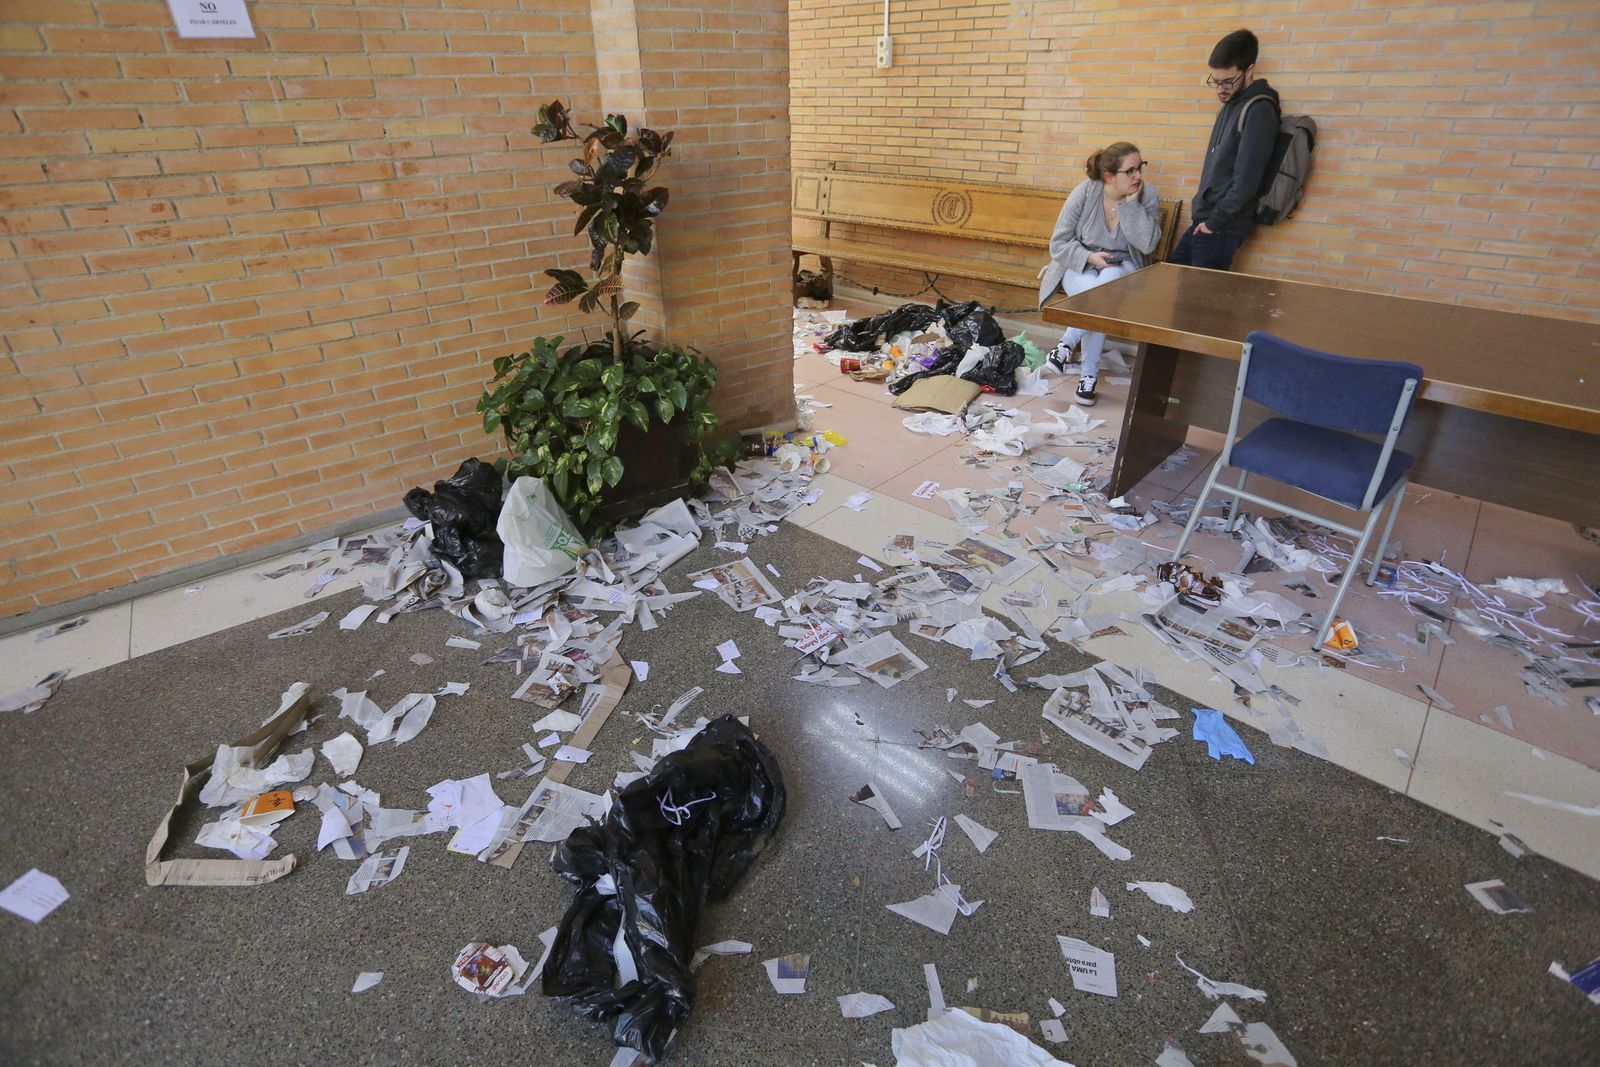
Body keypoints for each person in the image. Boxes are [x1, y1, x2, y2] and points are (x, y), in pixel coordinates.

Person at [1036, 142, 1161, 407]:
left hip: (1123, 269)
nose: (1138, 176)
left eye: (1140, 168)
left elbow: (1148, 244)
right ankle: (1087, 379)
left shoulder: (1146, 195)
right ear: (1109, 177)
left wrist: (1130, 206)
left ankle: (1065, 346)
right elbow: (1058, 244)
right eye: (1130, 171)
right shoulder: (1085, 192)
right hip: (1079, 265)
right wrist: (1089, 257)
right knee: (1097, 301)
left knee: (1103, 289)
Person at [1168, 28, 1279, 272]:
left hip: (1223, 224)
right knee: (1174, 282)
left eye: (1228, 81)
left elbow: (1247, 181)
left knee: (1200, 303)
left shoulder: (1259, 110)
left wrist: (1213, 223)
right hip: (1208, 219)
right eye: (1215, 81)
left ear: (1249, 70)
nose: (1220, 89)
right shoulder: (1230, 106)